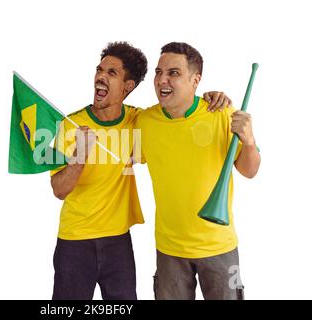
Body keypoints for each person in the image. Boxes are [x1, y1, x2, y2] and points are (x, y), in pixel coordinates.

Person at [50, 41, 231, 300]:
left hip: (118, 243)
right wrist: (80, 155)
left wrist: (210, 96)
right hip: (74, 242)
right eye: (100, 70)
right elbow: (59, 190)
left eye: (111, 73)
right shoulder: (69, 125)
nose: (101, 76)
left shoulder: (139, 122)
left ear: (128, 86)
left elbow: (175, 117)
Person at [135, 42, 261, 300]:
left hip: (219, 247)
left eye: (173, 73)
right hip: (169, 249)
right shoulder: (145, 122)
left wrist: (249, 141)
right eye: (159, 72)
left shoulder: (222, 114)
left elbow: (250, 171)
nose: (162, 80)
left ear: (196, 80)